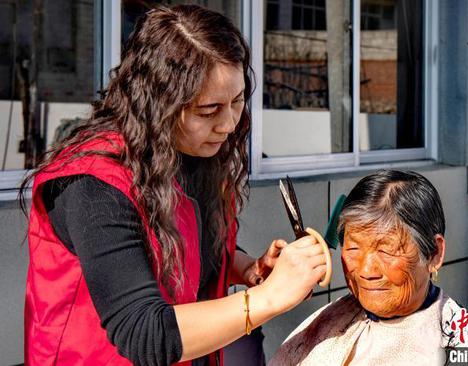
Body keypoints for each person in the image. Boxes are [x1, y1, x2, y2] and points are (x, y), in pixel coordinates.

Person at [21, 5, 327, 366]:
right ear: (158, 104)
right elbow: (144, 333)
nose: (229, 124)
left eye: (238, 100)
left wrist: (245, 267)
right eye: (208, 110)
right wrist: (270, 298)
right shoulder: (93, 184)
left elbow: (179, 243)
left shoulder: (185, 149)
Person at [270, 170, 468, 366]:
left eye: (387, 250)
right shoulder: (331, 319)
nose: (366, 270)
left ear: (434, 254)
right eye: (353, 249)